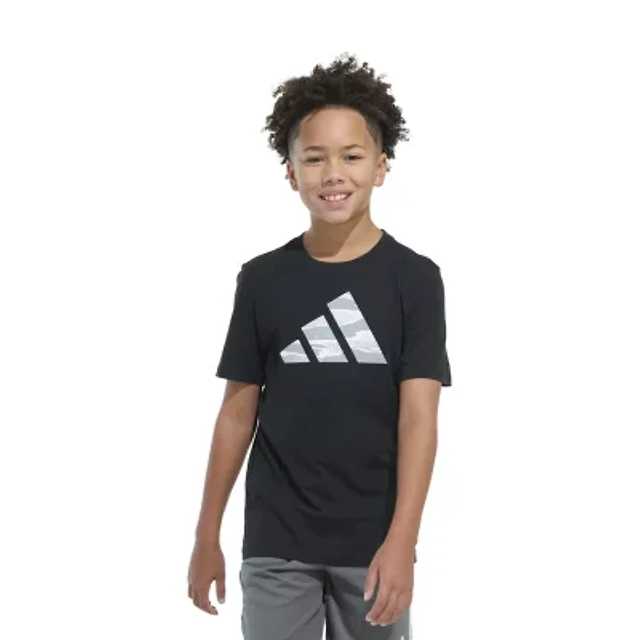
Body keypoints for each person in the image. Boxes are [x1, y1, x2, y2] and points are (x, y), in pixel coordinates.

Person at [187, 53, 452, 640]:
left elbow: (419, 419)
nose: (333, 173)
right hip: (276, 540)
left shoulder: (415, 280)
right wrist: (207, 534)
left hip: (373, 544)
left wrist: (403, 541)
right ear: (291, 172)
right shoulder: (262, 280)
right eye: (314, 158)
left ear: (381, 167)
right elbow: (236, 413)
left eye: (351, 156)